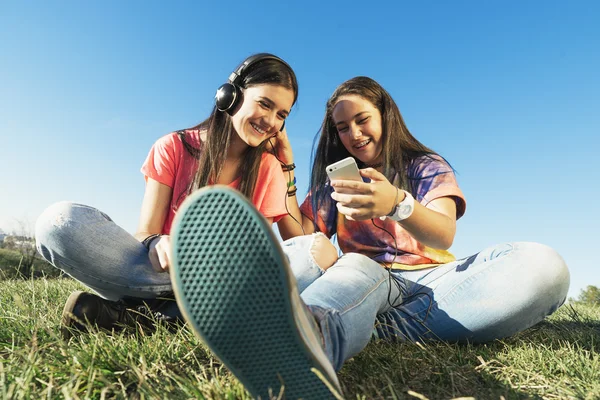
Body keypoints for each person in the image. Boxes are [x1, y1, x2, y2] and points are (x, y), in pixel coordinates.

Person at [167, 76, 570, 399]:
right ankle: (312, 338)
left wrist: (397, 202)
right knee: (355, 264)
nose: (354, 134)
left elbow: (444, 234)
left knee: (543, 264)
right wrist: (288, 171)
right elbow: (303, 239)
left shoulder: (424, 166)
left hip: (437, 284)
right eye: (342, 128)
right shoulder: (332, 185)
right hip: (367, 279)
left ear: (385, 115)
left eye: (362, 120)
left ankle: (370, 327)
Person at [34, 53, 299, 339]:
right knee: (58, 222)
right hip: (154, 276)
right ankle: (172, 313)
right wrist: (156, 241)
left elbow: (259, 256)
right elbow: (146, 231)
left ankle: (136, 317)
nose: (271, 121)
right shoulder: (172, 147)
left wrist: (287, 166)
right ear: (230, 96)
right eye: (265, 104)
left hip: (219, 283)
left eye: (281, 115)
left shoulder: (270, 170)